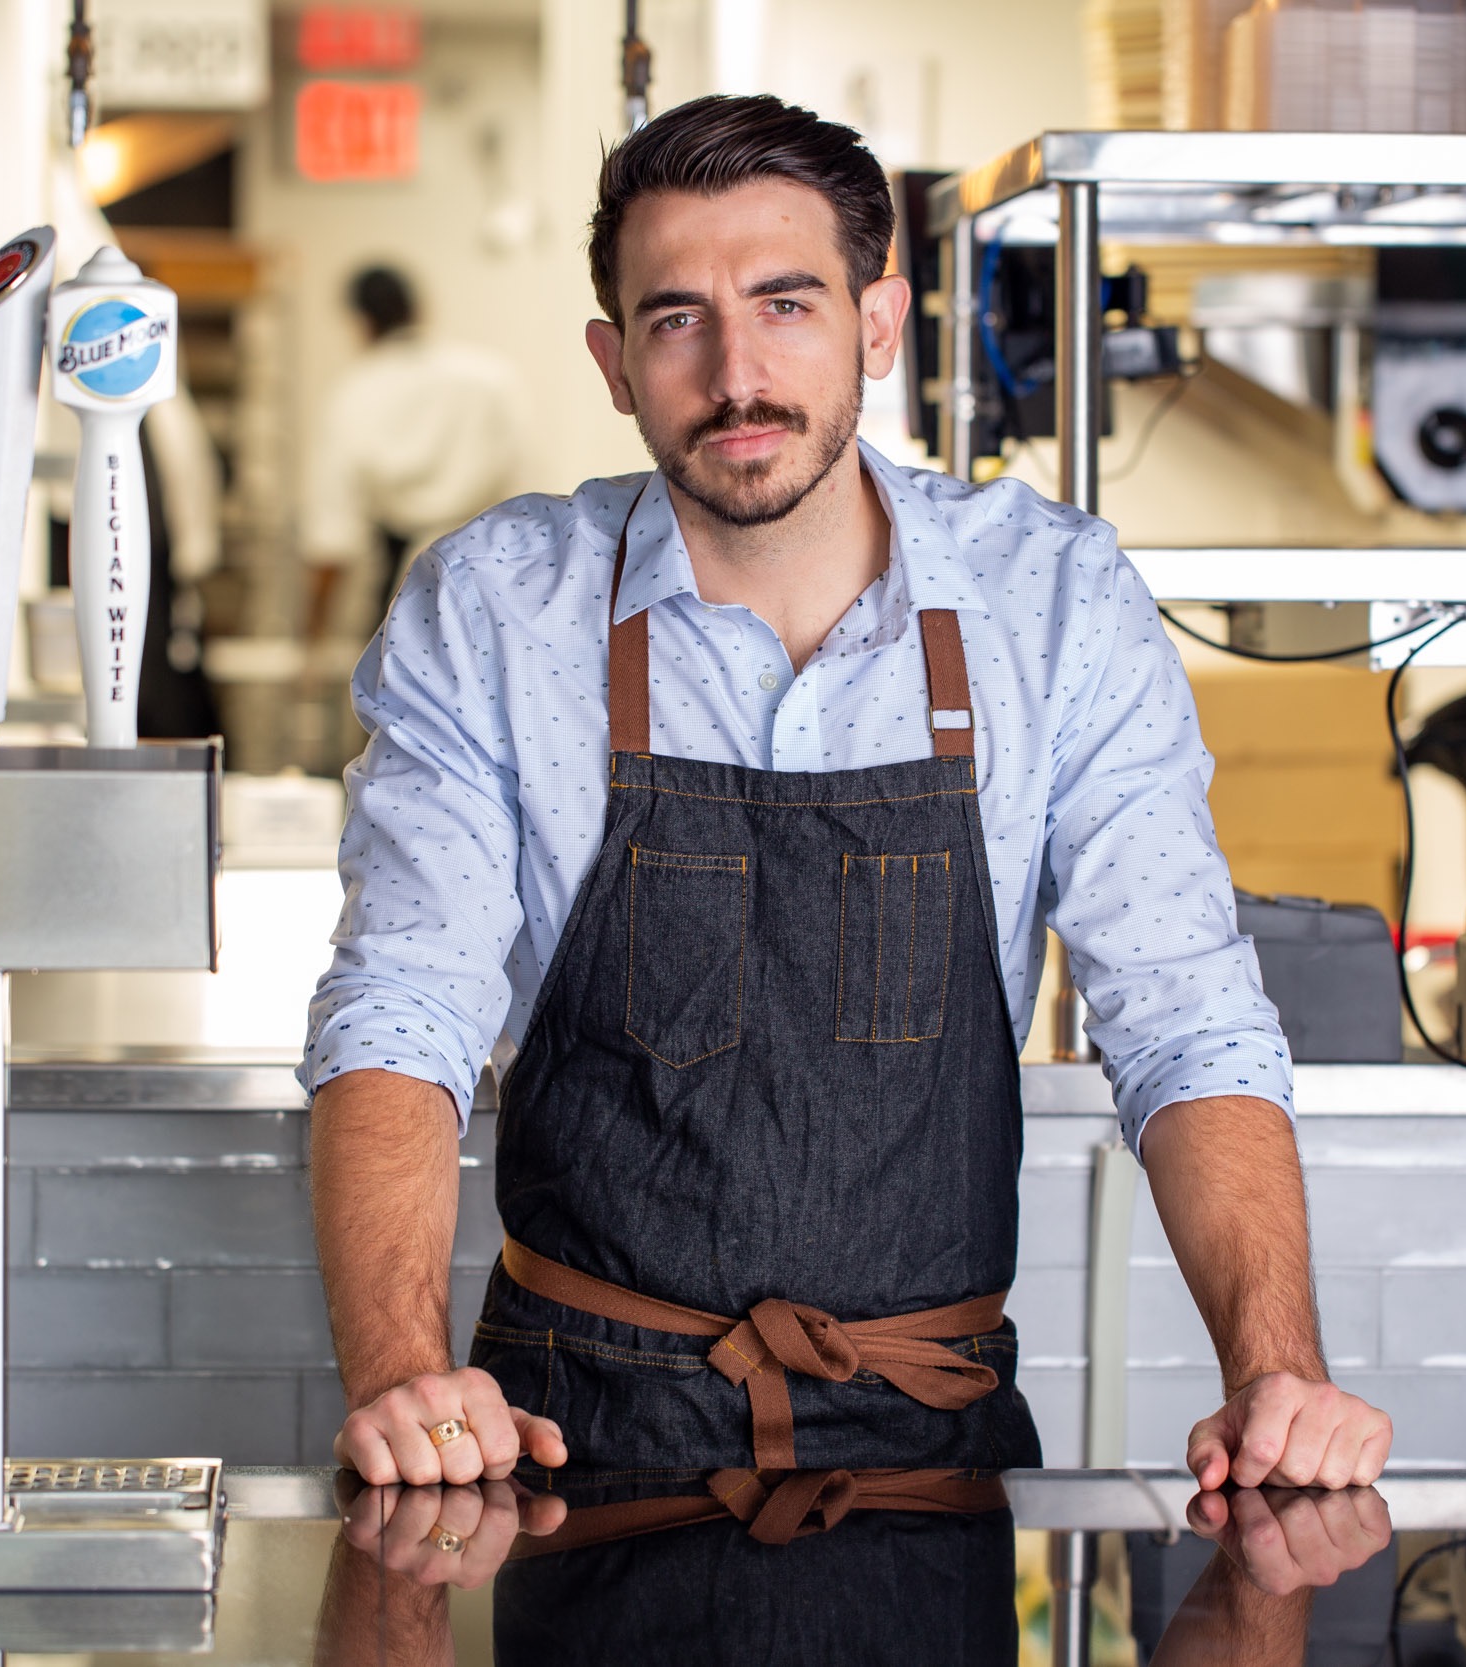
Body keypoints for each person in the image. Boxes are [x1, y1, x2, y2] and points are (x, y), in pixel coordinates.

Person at [303, 94, 1391, 1491]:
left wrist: (1276, 1368)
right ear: (614, 363)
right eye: (677, 317)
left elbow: (1185, 1016)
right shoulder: (501, 607)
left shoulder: (1047, 599)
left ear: (881, 323)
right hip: (564, 1442)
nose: (737, 372)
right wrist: (402, 1373)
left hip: (929, 1446)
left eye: (787, 303)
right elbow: (404, 1005)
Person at [304, 263, 526, 627]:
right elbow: (526, 489)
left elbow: (333, 529)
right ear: (417, 309)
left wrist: (313, 635)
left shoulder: (356, 391)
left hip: (400, 589)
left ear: (362, 322)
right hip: (491, 581)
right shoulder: (490, 376)